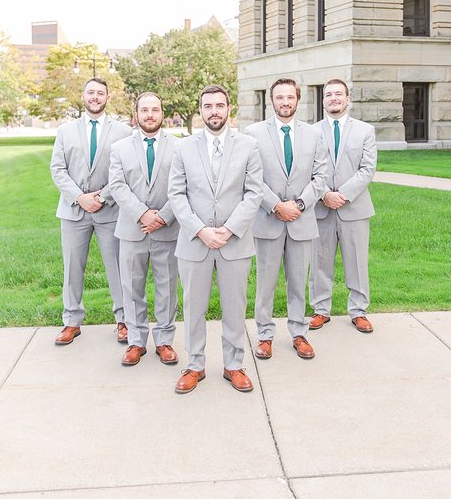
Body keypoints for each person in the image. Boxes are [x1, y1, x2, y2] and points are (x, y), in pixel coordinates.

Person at [168, 85, 263, 394]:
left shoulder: (248, 146)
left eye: (219, 105)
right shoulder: (183, 148)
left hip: (234, 242)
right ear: (200, 110)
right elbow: (177, 195)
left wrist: (229, 229)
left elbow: (253, 193)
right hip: (195, 242)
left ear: (228, 109)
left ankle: (234, 365)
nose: (214, 111)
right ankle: (195, 365)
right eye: (207, 106)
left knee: (235, 306)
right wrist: (200, 230)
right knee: (193, 307)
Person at [246, 78, 327, 360]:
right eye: (279, 97)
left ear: (297, 99)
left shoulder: (314, 135)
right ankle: (265, 335)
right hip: (268, 221)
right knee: (265, 284)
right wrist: (276, 205)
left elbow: (321, 177)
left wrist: (300, 204)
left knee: (298, 282)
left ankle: (298, 332)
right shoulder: (253, 134)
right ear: (272, 101)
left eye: (289, 97)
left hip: (302, 221)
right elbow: (251, 178)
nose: (285, 102)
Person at [50, 77, 132, 346]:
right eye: (91, 92)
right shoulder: (65, 130)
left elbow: (125, 171)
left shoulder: (122, 131)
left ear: (108, 98)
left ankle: (123, 320)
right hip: (74, 211)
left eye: (100, 93)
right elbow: (58, 170)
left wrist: (102, 196)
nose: (95, 97)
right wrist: (80, 197)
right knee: (73, 268)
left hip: (110, 211)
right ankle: (72, 321)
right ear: (83, 96)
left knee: (118, 268)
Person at [106, 92, 180, 367]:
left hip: (167, 229)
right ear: (135, 114)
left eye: (155, 110)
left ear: (163, 113)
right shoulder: (120, 148)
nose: (150, 115)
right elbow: (117, 186)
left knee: (167, 287)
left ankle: (164, 340)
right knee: (132, 287)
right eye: (144, 110)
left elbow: (184, 187)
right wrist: (142, 214)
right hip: (132, 229)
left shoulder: (179, 147)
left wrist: (163, 216)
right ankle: (136, 341)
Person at [309, 79, 377, 334]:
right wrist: (325, 193)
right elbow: (308, 168)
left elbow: (367, 169)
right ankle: (320, 310)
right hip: (321, 207)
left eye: (338, 94)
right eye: (328, 94)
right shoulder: (311, 131)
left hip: (355, 208)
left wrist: (343, 195)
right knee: (319, 261)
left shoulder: (365, 131)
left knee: (357, 261)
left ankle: (359, 311)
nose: (333, 98)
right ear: (323, 100)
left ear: (348, 99)